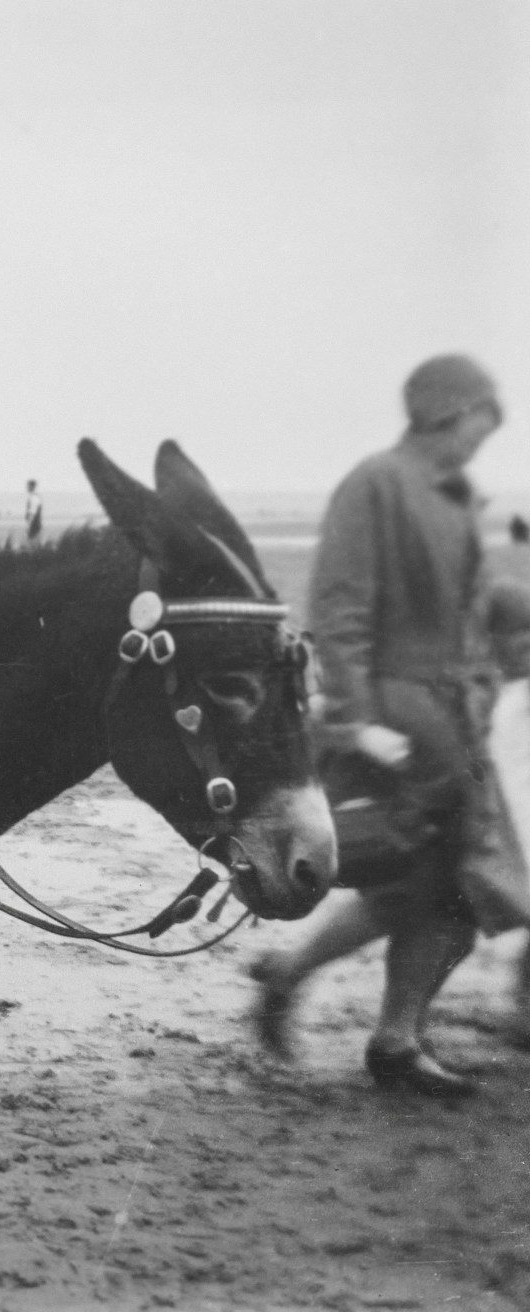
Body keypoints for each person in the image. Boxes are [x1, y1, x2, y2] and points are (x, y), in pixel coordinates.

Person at [248, 354, 520, 1098]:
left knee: (453, 893)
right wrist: (360, 722)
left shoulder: (453, 496)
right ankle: (376, 1030)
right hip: (396, 724)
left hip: (450, 725)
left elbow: (466, 614)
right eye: (476, 422)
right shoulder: (377, 483)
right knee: (427, 884)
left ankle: (383, 1031)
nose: (479, 439)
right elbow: (340, 610)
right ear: (442, 412)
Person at [23, 478, 44, 544]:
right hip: (35, 524)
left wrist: (29, 525)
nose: (27, 488)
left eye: (28, 486)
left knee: (32, 542)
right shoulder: (34, 497)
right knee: (34, 542)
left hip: (34, 524)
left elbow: (32, 513)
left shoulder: (34, 498)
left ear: (32, 487)